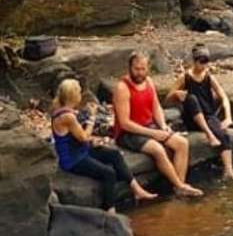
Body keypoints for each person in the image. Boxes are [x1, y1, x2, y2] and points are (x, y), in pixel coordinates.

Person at [52, 79, 157, 211]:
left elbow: (77, 137)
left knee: (114, 154)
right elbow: (83, 137)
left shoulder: (68, 112)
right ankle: (110, 210)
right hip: (73, 159)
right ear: (73, 95)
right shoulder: (67, 116)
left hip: (82, 150)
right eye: (79, 92)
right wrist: (92, 118)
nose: (81, 95)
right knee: (109, 173)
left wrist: (93, 140)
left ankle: (137, 189)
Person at [113, 52, 204, 197]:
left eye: (143, 69)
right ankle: (180, 185)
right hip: (129, 133)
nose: (140, 73)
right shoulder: (122, 88)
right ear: (130, 68)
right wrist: (154, 134)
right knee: (158, 149)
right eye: (136, 69)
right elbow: (125, 123)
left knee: (182, 144)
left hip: (150, 126)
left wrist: (162, 125)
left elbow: (156, 107)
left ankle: (179, 187)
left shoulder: (148, 81)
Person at [165, 45, 233, 181]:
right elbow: (168, 98)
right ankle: (209, 134)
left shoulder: (209, 77)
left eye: (206, 61)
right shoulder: (185, 77)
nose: (204, 65)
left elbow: (223, 96)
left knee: (223, 134)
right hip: (192, 118)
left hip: (208, 115)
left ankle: (229, 170)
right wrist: (176, 94)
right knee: (192, 98)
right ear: (194, 62)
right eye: (202, 62)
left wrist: (228, 117)